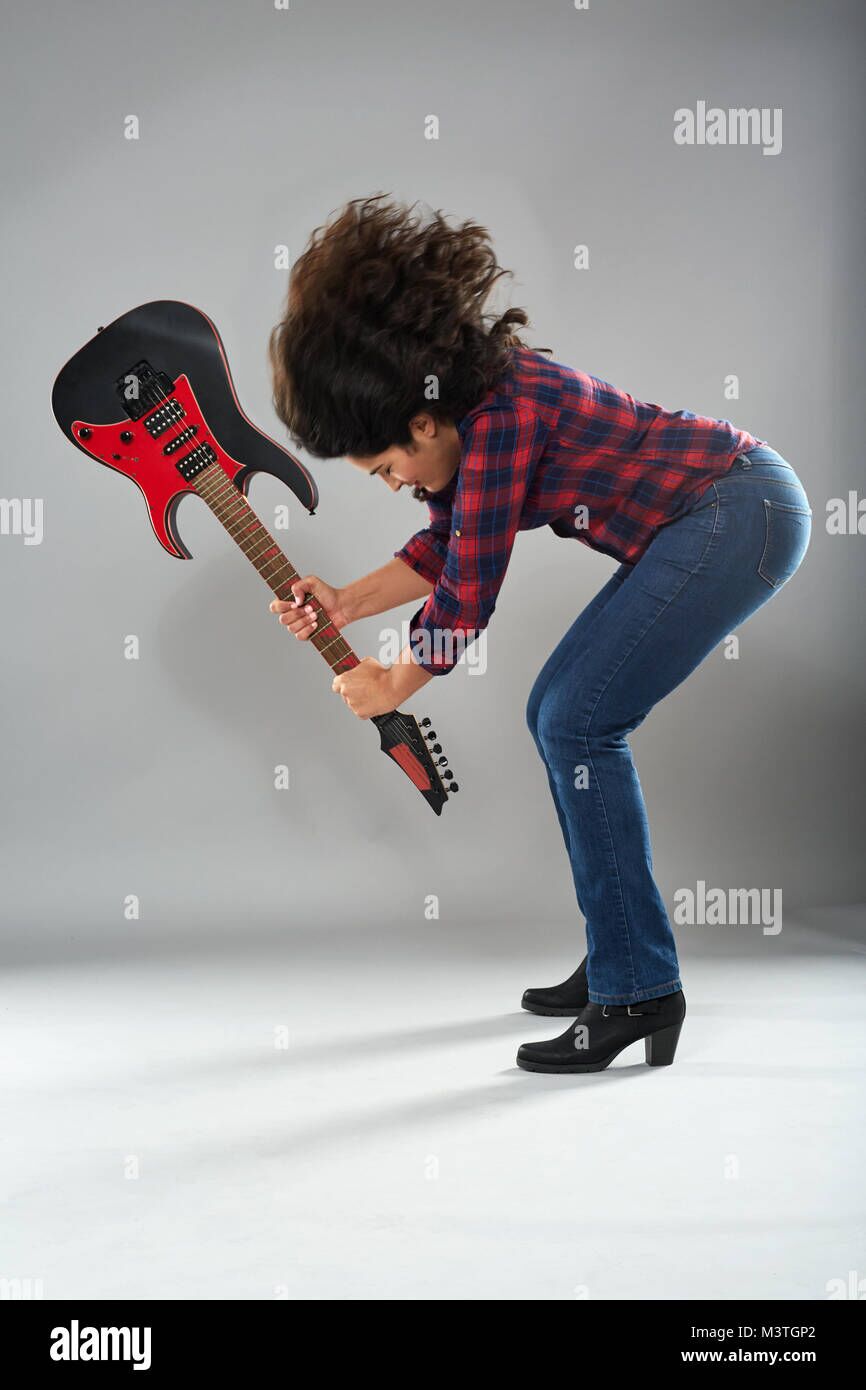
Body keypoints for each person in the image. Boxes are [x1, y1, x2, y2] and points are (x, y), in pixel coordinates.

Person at [266, 193, 812, 1074]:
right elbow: (449, 543)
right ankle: (621, 950)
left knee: (576, 721)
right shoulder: (471, 418)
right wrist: (344, 603)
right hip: (710, 515)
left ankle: (637, 989)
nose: (393, 482)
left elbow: (467, 594)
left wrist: (392, 684)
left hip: (738, 510)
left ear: (421, 421)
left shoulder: (503, 416)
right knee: (559, 714)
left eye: (387, 466)